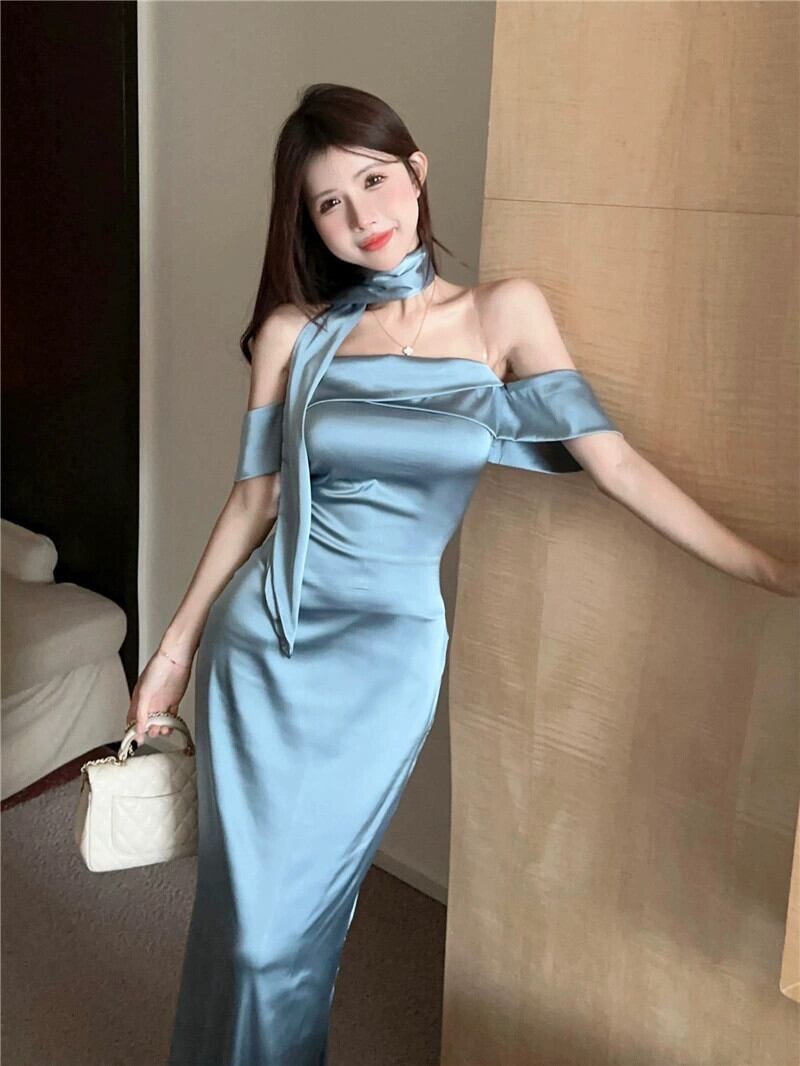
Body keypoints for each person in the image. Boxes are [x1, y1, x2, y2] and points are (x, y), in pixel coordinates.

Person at [125, 84, 799, 1066]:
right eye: (328, 202)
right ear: (307, 223)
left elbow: (614, 466)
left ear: (415, 171)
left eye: (372, 180)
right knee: (239, 925)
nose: (361, 216)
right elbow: (253, 501)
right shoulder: (293, 334)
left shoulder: (502, 314)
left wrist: (769, 566)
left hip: (386, 660)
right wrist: (173, 654)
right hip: (265, 645)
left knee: (290, 939)